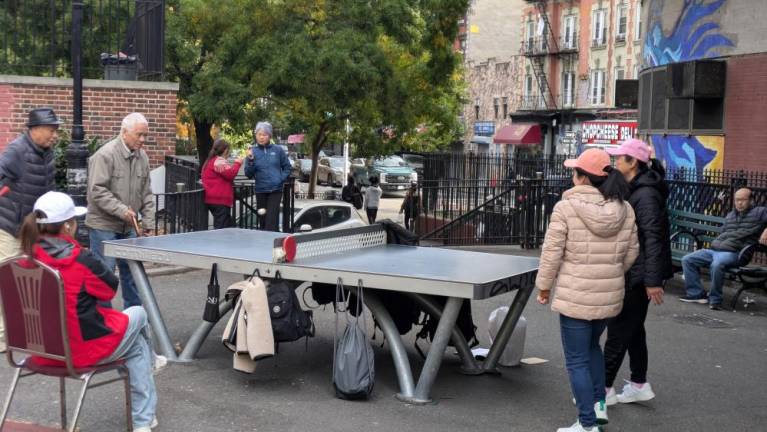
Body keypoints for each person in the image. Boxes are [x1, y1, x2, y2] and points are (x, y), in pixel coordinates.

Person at [19, 191, 159, 432]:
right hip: (80, 351)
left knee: (136, 333)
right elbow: (108, 292)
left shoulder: (22, 262)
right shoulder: (81, 261)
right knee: (138, 328)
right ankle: (142, 420)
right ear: (67, 227)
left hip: (39, 351)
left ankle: (152, 366)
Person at [536, 149, 638, 432]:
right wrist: (610, 273)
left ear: (583, 177)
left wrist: (544, 286)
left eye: (574, 171)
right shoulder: (625, 209)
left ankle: (586, 423)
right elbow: (631, 254)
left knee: (577, 360)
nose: (571, 176)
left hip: (576, 295)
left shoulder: (566, 208)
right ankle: (598, 408)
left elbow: (551, 253)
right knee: (593, 349)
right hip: (609, 295)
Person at [604, 139, 673, 406]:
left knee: (619, 329)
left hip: (639, 274)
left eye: (619, 158)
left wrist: (652, 280)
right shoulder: (639, 188)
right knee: (633, 329)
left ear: (633, 163)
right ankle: (639, 384)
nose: (615, 162)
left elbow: (652, 237)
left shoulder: (645, 194)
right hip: (638, 271)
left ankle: (604, 389)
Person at [0, 107, 61, 353]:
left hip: (32, 231)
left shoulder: (47, 154)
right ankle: (2, 336)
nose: (55, 135)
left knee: (28, 281)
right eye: (51, 130)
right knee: (5, 280)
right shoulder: (16, 151)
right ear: (34, 129)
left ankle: (22, 333)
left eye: (56, 130)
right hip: (9, 228)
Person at [86, 112, 155, 308]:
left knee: (133, 275)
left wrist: (148, 222)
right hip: (104, 225)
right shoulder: (105, 154)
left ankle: (135, 319)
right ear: (124, 132)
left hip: (128, 226)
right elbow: (97, 190)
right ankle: (104, 324)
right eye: (139, 135)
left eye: (145, 135)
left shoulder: (143, 157)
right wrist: (122, 210)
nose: (143, 140)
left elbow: (147, 193)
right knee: (105, 277)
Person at [680, 187, 767, 309]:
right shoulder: (731, 215)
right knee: (687, 259)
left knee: (717, 264)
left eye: (743, 200)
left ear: (751, 200)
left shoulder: (760, 212)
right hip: (715, 250)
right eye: (737, 200)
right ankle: (696, 294)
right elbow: (724, 233)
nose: (739, 203)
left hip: (736, 253)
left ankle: (715, 300)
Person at [243, 121, 292, 231]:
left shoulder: (278, 150)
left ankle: (270, 243)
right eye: (259, 134)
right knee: (263, 220)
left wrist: (280, 179)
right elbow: (248, 174)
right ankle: (268, 243)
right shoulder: (252, 152)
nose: (261, 137)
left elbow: (287, 167)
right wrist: (250, 160)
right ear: (256, 135)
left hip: (275, 190)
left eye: (264, 135)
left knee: (271, 219)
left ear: (269, 135)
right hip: (261, 190)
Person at [201, 138, 243, 229]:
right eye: (229, 151)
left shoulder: (211, 160)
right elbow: (230, 174)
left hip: (213, 199)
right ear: (225, 150)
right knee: (222, 229)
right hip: (219, 200)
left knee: (230, 227)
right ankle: (219, 243)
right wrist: (238, 163)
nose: (229, 153)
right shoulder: (219, 161)